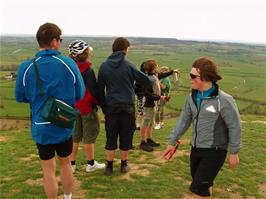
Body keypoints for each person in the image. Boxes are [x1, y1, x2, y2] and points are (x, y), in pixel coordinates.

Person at [15, 22, 85, 199]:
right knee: (65, 163)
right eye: (60, 39)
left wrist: (38, 101)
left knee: (47, 168)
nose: (60, 43)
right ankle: (68, 197)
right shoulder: (68, 63)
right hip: (63, 121)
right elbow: (80, 93)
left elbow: (20, 96)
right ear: (54, 41)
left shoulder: (26, 67)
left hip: (41, 124)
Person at [163, 57, 241, 199]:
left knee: (198, 190)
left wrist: (234, 152)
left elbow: (234, 126)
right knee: (204, 187)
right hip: (196, 148)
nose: (189, 79)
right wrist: (171, 142)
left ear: (205, 77)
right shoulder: (191, 97)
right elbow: (183, 121)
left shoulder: (224, 100)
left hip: (215, 151)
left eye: (193, 76)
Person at [97, 37, 153, 175]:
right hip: (127, 106)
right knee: (126, 135)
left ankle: (109, 167)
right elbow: (146, 80)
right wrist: (153, 77)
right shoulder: (129, 65)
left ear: (113, 48)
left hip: (111, 106)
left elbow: (99, 91)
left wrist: (104, 107)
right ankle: (123, 165)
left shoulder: (104, 66)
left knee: (111, 136)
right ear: (125, 49)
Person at [68, 40, 105, 173]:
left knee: (75, 136)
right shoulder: (87, 70)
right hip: (86, 108)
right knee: (89, 136)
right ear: (84, 53)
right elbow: (93, 91)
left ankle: (71, 165)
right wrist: (101, 104)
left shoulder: (68, 67)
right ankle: (90, 164)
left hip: (72, 107)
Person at [139, 60, 170, 152]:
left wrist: (172, 72)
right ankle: (142, 142)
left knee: (150, 123)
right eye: (156, 66)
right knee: (145, 123)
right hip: (148, 104)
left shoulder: (154, 76)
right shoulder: (148, 79)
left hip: (153, 104)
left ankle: (148, 139)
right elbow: (147, 94)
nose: (157, 68)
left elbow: (161, 75)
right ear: (153, 68)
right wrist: (160, 97)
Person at [134, 62, 146, 130]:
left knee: (140, 111)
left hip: (140, 96)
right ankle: (138, 125)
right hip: (141, 96)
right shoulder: (143, 76)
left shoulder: (139, 75)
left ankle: (139, 124)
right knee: (140, 111)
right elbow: (137, 87)